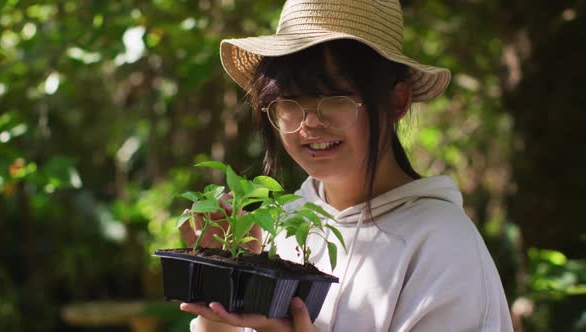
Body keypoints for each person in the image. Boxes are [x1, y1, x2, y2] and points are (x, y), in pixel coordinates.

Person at [178, 0, 515, 331]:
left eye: (335, 96)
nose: (309, 122)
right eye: (290, 100)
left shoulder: (442, 244)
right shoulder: (285, 226)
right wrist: (217, 293)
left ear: (396, 101)